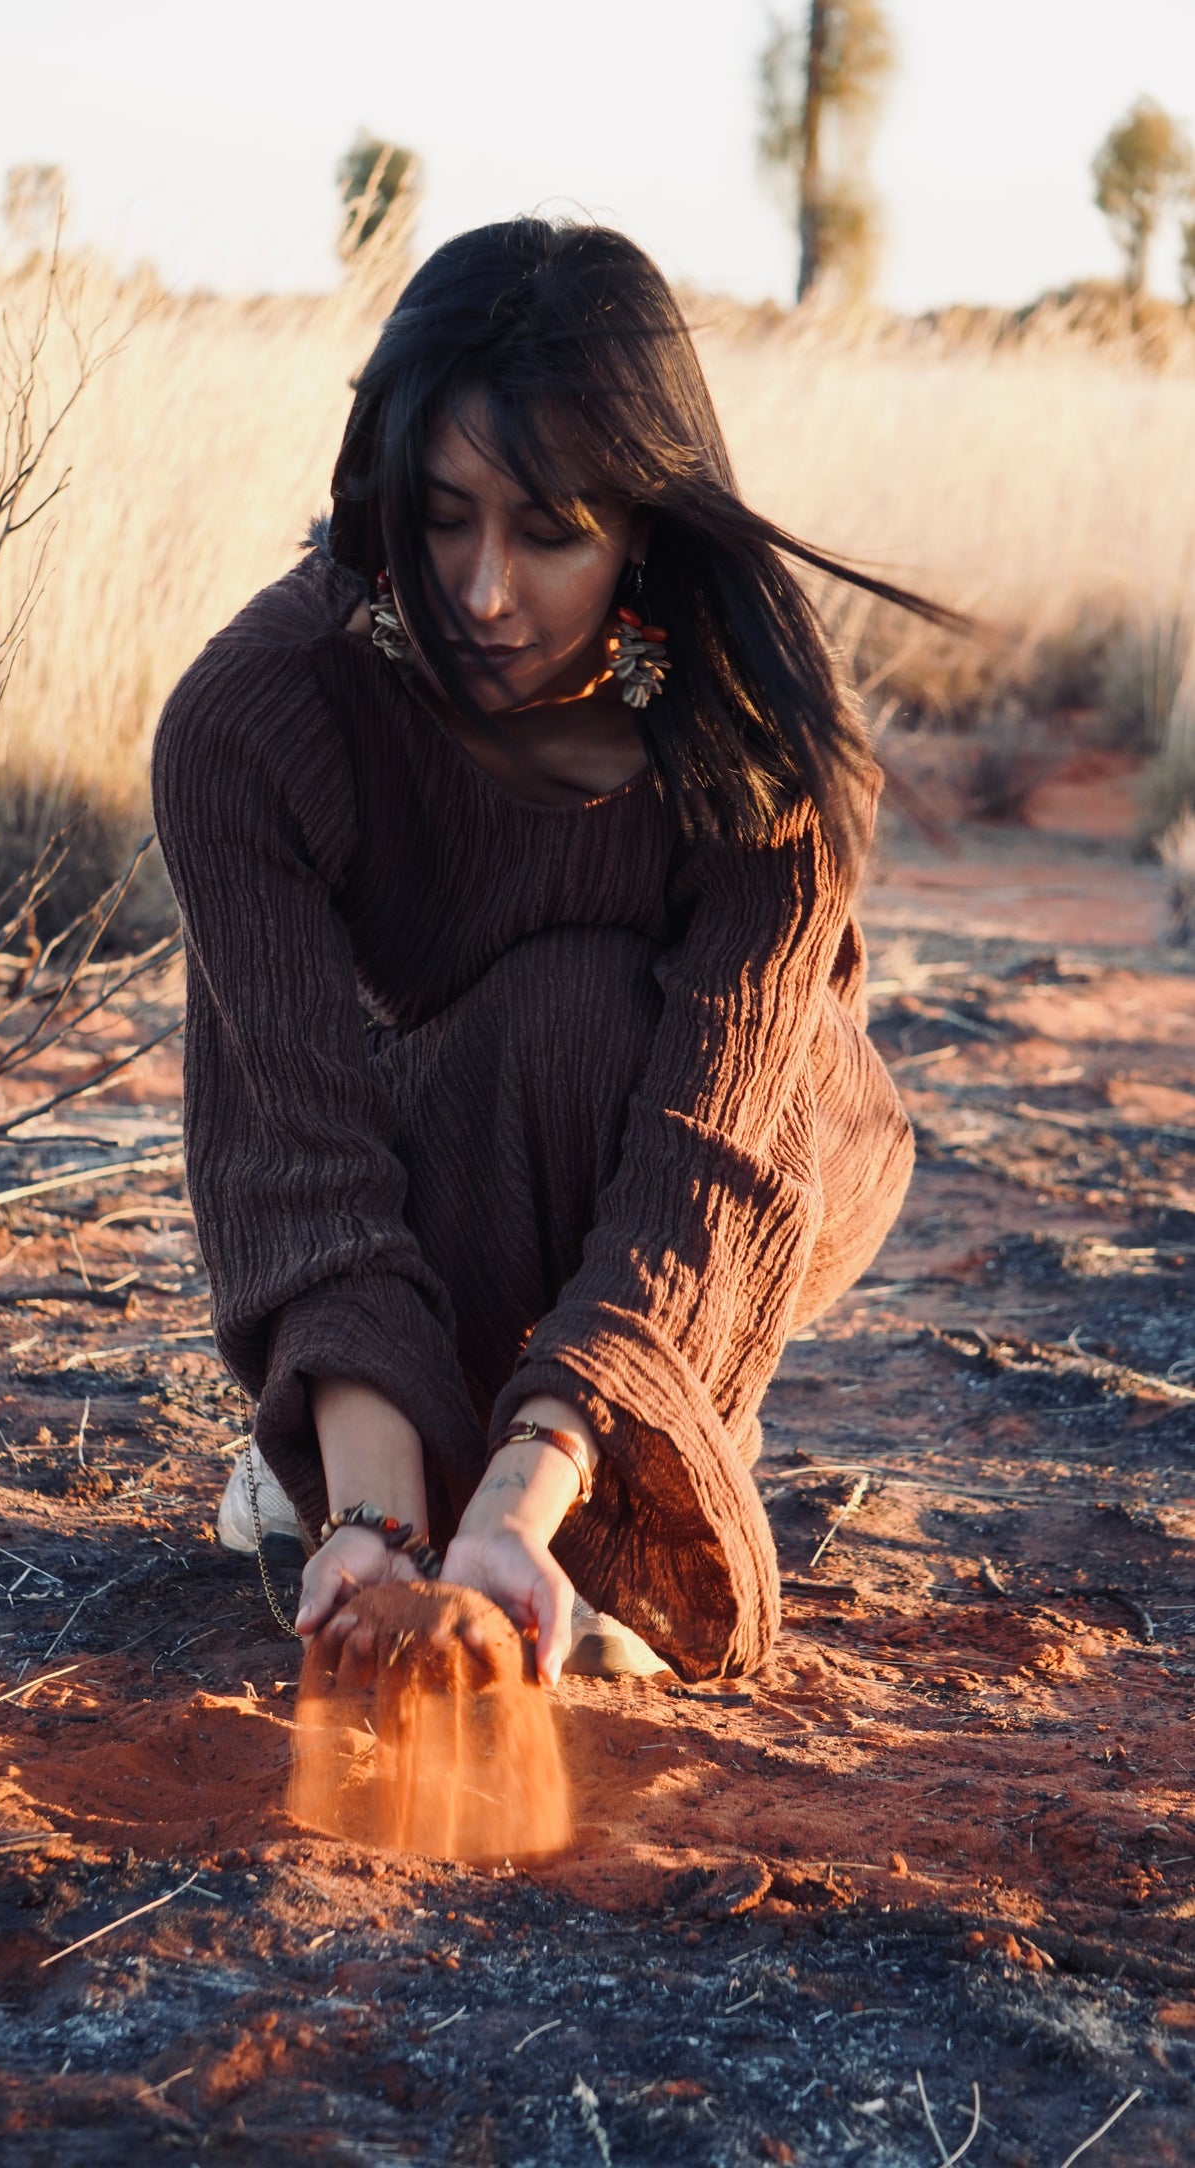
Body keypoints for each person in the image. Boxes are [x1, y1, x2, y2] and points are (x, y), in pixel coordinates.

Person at [152, 218, 948, 1689]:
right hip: (447, 1151)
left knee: (622, 1023)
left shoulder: (761, 729)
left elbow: (710, 1147)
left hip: (760, 1151)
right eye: (442, 515)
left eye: (550, 530)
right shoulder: (256, 719)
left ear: (644, 518)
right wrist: (373, 1517)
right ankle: (390, 1457)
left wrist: (533, 1480)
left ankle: (594, 1471)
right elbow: (292, 1154)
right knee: (544, 1018)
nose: (483, 592)